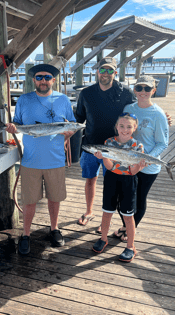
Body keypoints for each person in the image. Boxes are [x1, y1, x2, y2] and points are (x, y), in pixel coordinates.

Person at [5, 64, 76, 255]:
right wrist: (12, 127)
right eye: (39, 77)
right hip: (30, 161)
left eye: (47, 77)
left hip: (56, 160)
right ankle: (25, 234)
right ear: (33, 80)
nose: (43, 80)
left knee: (55, 199)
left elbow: (69, 126)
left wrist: (68, 134)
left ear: (53, 80)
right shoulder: (24, 100)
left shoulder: (63, 99)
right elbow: (18, 123)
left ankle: (54, 229)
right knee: (29, 201)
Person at [75, 57, 137, 226]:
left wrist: (162, 118)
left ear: (115, 73)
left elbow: (137, 114)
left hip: (116, 148)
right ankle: (89, 211)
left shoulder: (125, 92)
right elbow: (77, 119)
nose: (106, 73)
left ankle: (108, 220)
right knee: (90, 179)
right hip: (90, 146)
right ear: (97, 71)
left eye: (110, 70)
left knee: (113, 183)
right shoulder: (86, 93)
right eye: (103, 69)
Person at [113, 75, 169, 242]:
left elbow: (162, 143)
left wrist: (145, 160)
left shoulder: (158, 114)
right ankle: (126, 225)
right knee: (121, 197)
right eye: (139, 88)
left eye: (147, 88)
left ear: (153, 90)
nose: (142, 92)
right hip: (127, 163)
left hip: (148, 167)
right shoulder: (129, 107)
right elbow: (122, 128)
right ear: (135, 90)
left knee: (139, 198)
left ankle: (131, 229)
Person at [92, 113, 146, 262]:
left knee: (128, 216)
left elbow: (132, 171)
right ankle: (103, 239)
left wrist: (140, 167)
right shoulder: (108, 142)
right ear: (116, 127)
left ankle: (130, 246)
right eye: (121, 126)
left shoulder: (137, 146)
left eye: (129, 126)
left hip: (128, 181)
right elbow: (109, 167)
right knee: (107, 212)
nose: (125, 129)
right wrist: (104, 157)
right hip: (111, 179)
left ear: (134, 128)